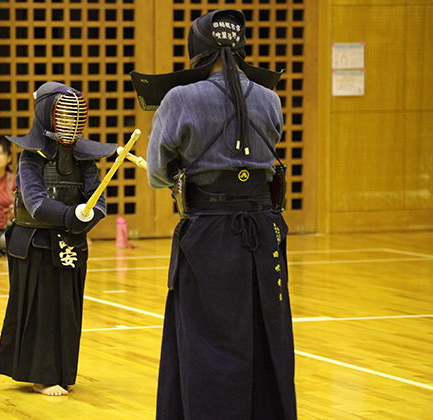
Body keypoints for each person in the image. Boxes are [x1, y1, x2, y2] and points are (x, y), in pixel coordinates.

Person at [131, 9, 296, 419]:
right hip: (264, 232)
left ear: (198, 51)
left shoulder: (179, 99)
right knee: (262, 332)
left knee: (208, 342)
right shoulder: (270, 98)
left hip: (208, 237)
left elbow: (155, 174)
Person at [0, 82, 116, 396]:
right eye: (64, 116)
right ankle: (41, 376)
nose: (70, 124)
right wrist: (69, 215)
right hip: (34, 242)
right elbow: (34, 201)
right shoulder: (30, 157)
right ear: (47, 116)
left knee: (68, 310)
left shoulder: (85, 160)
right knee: (42, 309)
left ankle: (62, 372)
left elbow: (97, 200)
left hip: (71, 242)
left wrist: (88, 216)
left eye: (76, 117)